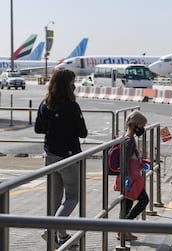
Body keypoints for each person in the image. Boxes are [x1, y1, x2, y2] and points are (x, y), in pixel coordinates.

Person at [34, 69, 88, 248]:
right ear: (68, 84)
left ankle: (60, 236)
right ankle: (52, 230)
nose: (75, 85)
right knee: (73, 197)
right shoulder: (72, 106)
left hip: (50, 155)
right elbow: (83, 132)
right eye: (73, 82)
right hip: (69, 156)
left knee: (55, 198)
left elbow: (38, 129)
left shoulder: (45, 104)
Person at [116, 110, 150, 241]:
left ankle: (123, 230)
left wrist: (141, 161)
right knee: (144, 200)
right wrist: (126, 178)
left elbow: (131, 158)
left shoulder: (128, 137)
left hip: (130, 177)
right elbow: (124, 160)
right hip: (131, 179)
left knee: (127, 204)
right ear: (134, 125)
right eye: (141, 126)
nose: (142, 129)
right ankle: (125, 226)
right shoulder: (129, 140)